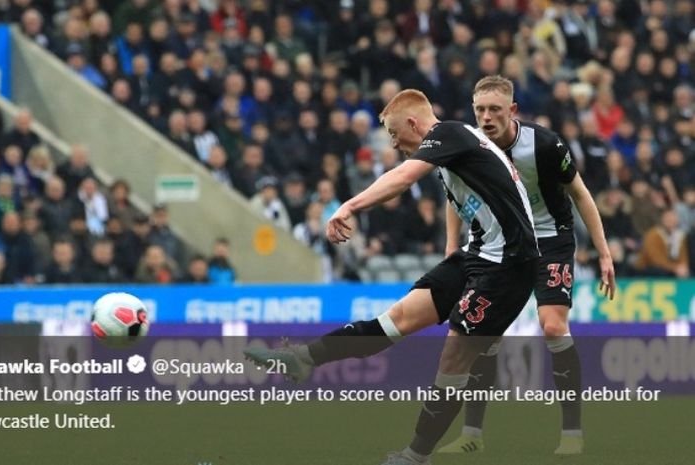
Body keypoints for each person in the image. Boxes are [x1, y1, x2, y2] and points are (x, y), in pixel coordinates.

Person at [246, 88, 541, 465]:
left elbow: (403, 179)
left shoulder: (449, 134)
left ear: (414, 124)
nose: (394, 142)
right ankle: (303, 358)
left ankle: (415, 456)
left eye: (393, 133)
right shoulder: (454, 152)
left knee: (454, 356)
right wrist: (454, 250)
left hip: (510, 265)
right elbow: (471, 200)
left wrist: (349, 206)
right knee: (396, 319)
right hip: (478, 256)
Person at [437, 75, 615, 456]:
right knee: (484, 336)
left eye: (495, 110)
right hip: (499, 242)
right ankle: (472, 434)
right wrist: (452, 245)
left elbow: (581, 195)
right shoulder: (467, 145)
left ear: (512, 111)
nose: (486, 117)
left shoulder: (546, 145)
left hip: (549, 238)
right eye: (480, 110)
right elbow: (455, 194)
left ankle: (572, 433)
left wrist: (603, 252)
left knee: (553, 326)